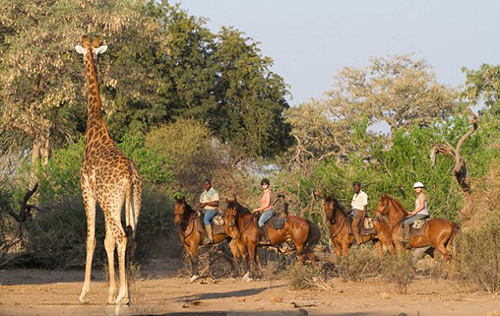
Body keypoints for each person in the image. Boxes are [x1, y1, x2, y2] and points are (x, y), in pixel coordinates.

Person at [198, 179, 219, 244]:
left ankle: (210, 238)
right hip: (204, 210)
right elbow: (200, 203)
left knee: (206, 220)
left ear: (210, 185)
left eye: (207, 184)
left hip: (211, 210)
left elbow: (216, 203)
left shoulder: (214, 192)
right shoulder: (203, 194)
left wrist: (206, 203)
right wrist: (201, 205)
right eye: (205, 184)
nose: (206, 185)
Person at [253, 178, 273, 243]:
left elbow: (267, 205)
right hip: (264, 211)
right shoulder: (264, 193)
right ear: (261, 185)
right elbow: (263, 205)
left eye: (266, 184)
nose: (264, 185)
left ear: (268, 185)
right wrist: (258, 210)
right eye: (263, 184)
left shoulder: (268, 192)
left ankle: (266, 239)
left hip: (268, 211)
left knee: (260, 222)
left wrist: (257, 209)